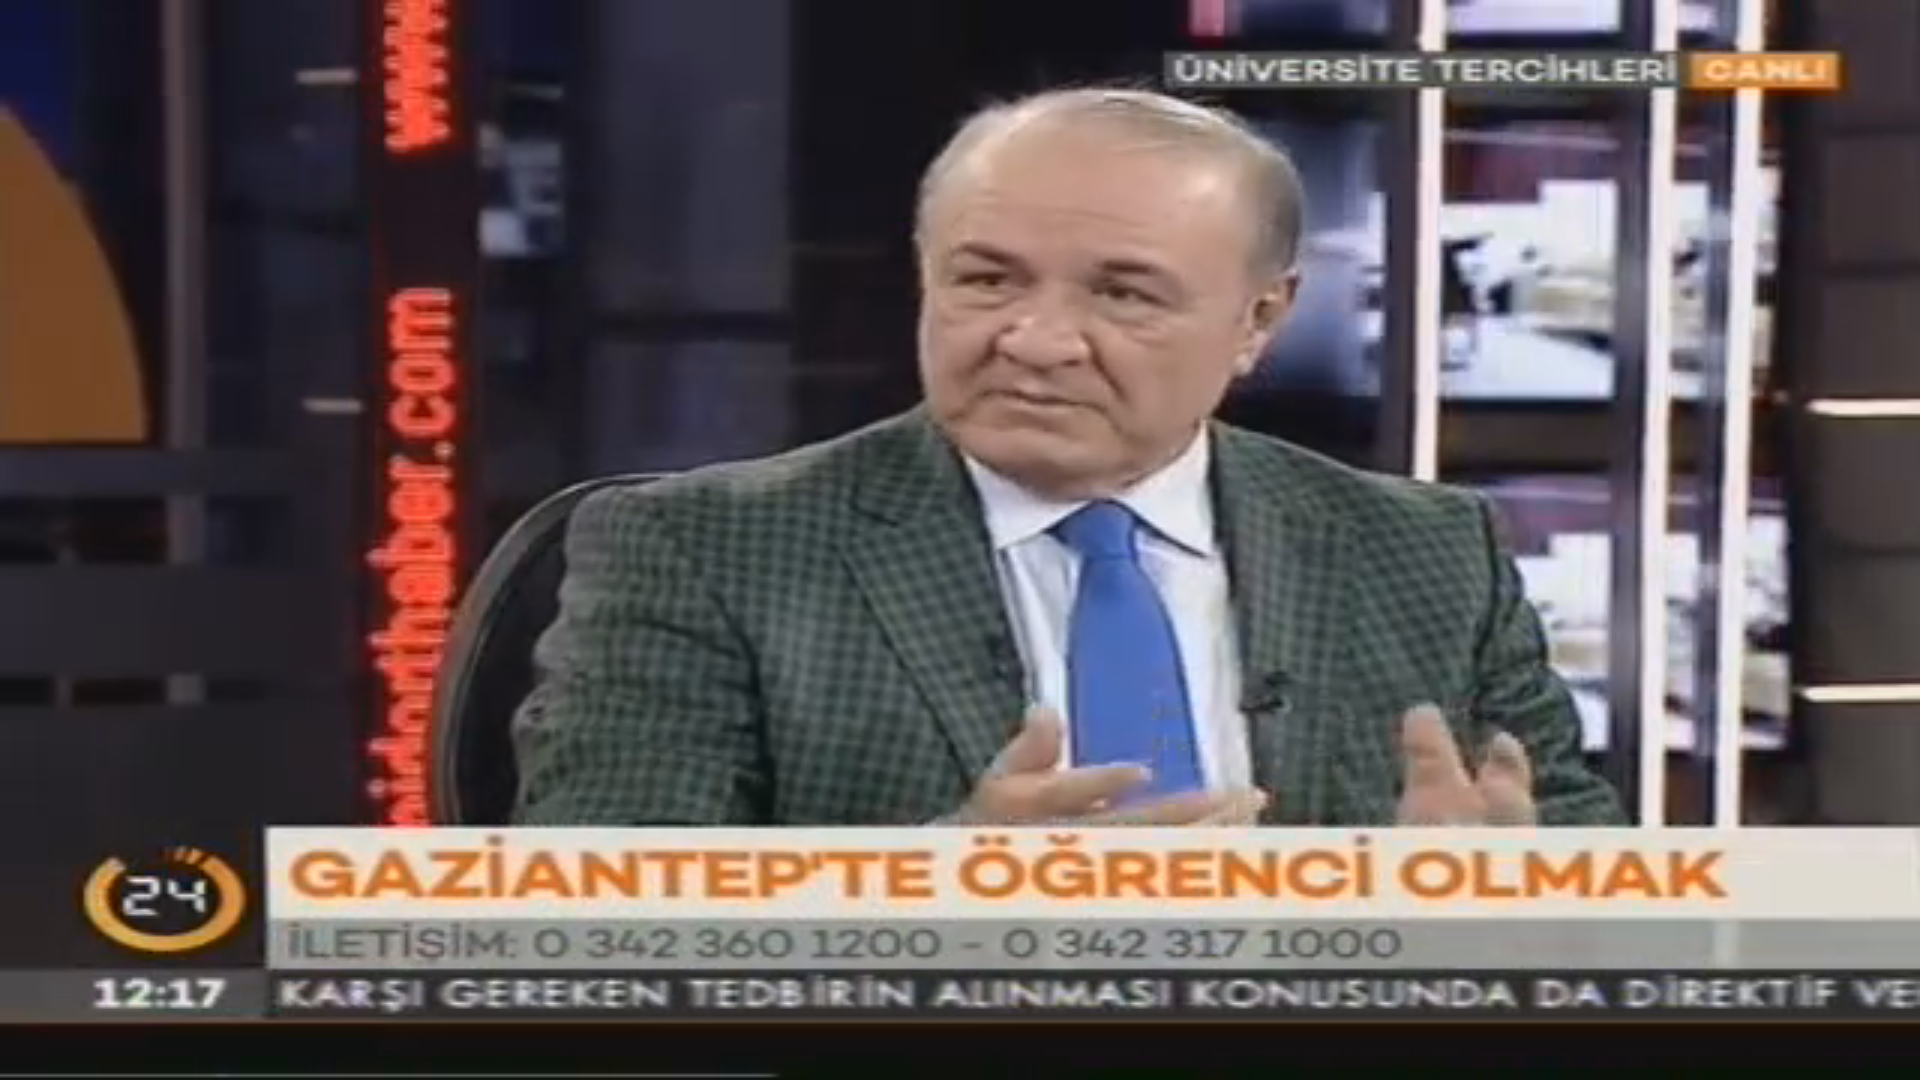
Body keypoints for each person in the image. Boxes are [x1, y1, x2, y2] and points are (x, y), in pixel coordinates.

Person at [511, 87, 1626, 829]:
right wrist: (940, 893)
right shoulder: (705, 549)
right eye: (986, 279)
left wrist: (1507, 905)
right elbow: (608, 911)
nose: (1036, 340)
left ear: (1259, 320)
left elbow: (1598, 896)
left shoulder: (1425, 551)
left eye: (1123, 294)